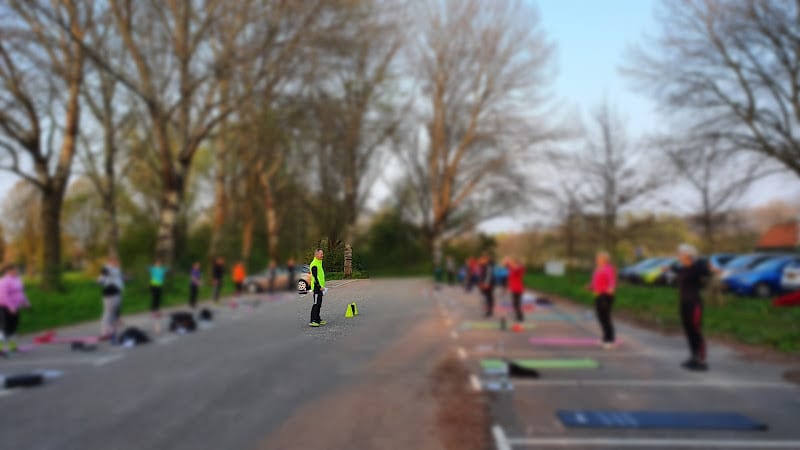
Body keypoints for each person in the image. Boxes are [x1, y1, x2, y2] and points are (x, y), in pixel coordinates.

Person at [675, 243, 712, 371]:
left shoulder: (697, 268)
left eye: (680, 253)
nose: (678, 256)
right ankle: (693, 357)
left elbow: (706, 271)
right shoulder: (682, 269)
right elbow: (674, 269)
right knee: (688, 331)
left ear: (688, 255)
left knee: (696, 331)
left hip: (694, 304)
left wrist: (698, 259)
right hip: (684, 303)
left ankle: (702, 360)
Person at [0, 264, 30, 353]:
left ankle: (12, 346)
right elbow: (3, 296)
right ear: (8, 271)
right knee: (5, 328)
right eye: (14, 270)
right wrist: (10, 307)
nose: (16, 271)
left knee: (13, 327)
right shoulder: (4, 281)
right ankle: (0, 348)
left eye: (16, 270)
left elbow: (21, 293)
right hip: (5, 307)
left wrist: (26, 303)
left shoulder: (17, 279)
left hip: (16, 307)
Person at [590, 251, 617, 349]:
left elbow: (611, 280)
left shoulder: (608, 268)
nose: (597, 259)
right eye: (597, 258)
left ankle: (610, 340)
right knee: (601, 318)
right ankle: (605, 338)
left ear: (604, 259)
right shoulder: (597, 269)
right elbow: (595, 282)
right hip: (598, 295)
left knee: (605, 318)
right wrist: (590, 286)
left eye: (599, 258)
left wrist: (611, 289)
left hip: (605, 295)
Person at [98, 256, 124, 342]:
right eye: (115, 261)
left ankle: (111, 331)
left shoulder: (117, 269)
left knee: (113, 313)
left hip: (117, 293)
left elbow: (118, 278)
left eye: (117, 261)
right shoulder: (108, 267)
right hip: (109, 293)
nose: (117, 263)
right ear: (111, 261)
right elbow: (103, 273)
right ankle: (104, 333)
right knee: (107, 313)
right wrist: (100, 280)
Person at [308, 248, 327, 327]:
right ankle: (313, 320)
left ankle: (318, 319)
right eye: (321, 254)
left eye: (322, 254)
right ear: (316, 255)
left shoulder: (319, 263)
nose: (322, 255)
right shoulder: (314, 264)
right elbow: (315, 277)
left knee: (319, 304)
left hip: (320, 288)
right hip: (317, 288)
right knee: (316, 304)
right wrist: (319, 286)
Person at [506, 257, 526, 322]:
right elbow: (508, 265)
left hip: (518, 288)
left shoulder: (519, 269)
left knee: (517, 303)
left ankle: (520, 316)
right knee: (514, 303)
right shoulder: (512, 269)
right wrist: (508, 261)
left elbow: (517, 268)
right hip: (513, 288)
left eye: (514, 263)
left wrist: (512, 263)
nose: (512, 264)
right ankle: (518, 315)